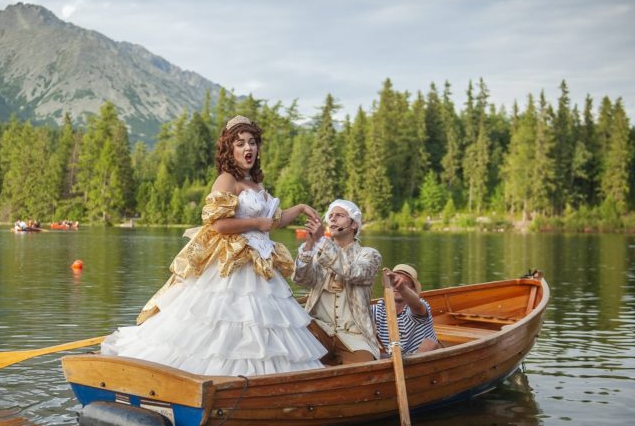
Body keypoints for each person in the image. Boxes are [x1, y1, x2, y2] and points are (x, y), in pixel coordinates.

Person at [101, 115, 327, 376]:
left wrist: (300, 208)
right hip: (232, 264)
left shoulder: (256, 183)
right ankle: (207, 376)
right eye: (240, 143)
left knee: (257, 324)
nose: (248, 148)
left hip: (259, 263)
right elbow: (218, 224)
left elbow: (272, 221)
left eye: (252, 142)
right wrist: (256, 222)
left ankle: (260, 376)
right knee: (220, 322)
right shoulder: (226, 180)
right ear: (230, 149)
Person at [294, 199, 382, 364]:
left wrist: (322, 241)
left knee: (363, 370)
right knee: (293, 347)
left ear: (354, 224)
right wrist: (309, 247)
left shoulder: (369, 254)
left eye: (340, 215)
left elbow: (354, 272)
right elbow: (301, 280)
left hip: (355, 336)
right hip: (319, 329)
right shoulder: (318, 253)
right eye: (331, 216)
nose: (333, 218)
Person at [372, 264, 440, 355]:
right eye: (393, 282)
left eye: (404, 283)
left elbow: (416, 306)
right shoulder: (379, 309)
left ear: (413, 290)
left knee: (429, 344)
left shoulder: (418, 306)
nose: (396, 286)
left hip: (419, 358)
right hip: (392, 358)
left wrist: (402, 288)